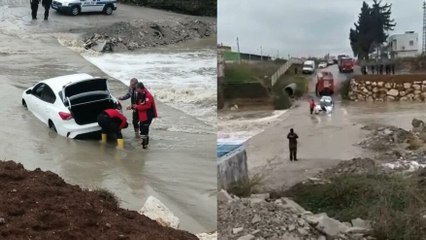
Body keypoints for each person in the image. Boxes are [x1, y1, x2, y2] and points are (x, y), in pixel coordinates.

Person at [133, 82, 158, 149]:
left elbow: (148, 106)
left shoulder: (148, 95)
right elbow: (140, 103)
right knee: (143, 130)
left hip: (147, 116)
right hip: (143, 115)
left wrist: (137, 107)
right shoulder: (141, 93)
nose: (135, 90)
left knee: (144, 130)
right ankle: (144, 144)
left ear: (139, 88)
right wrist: (134, 106)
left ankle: (144, 146)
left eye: (136, 89)